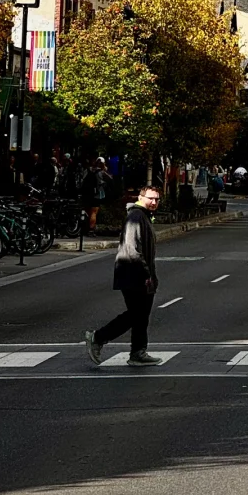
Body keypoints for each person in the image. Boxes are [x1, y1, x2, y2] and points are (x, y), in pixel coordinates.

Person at [85, 185, 162, 367]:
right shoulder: (136, 217)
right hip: (132, 273)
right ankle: (98, 337)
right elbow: (133, 249)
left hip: (137, 273)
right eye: (151, 198)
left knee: (140, 315)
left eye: (157, 199)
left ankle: (138, 352)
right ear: (141, 197)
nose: (154, 202)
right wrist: (146, 273)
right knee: (136, 315)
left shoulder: (142, 216)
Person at [81, 157, 111, 231]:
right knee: (94, 212)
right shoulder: (101, 172)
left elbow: (82, 179)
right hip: (97, 194)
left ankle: (84, 227)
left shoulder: (88, 170)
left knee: (87, 210)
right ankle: (91, 229)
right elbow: (109, 180)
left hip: (86, 193)